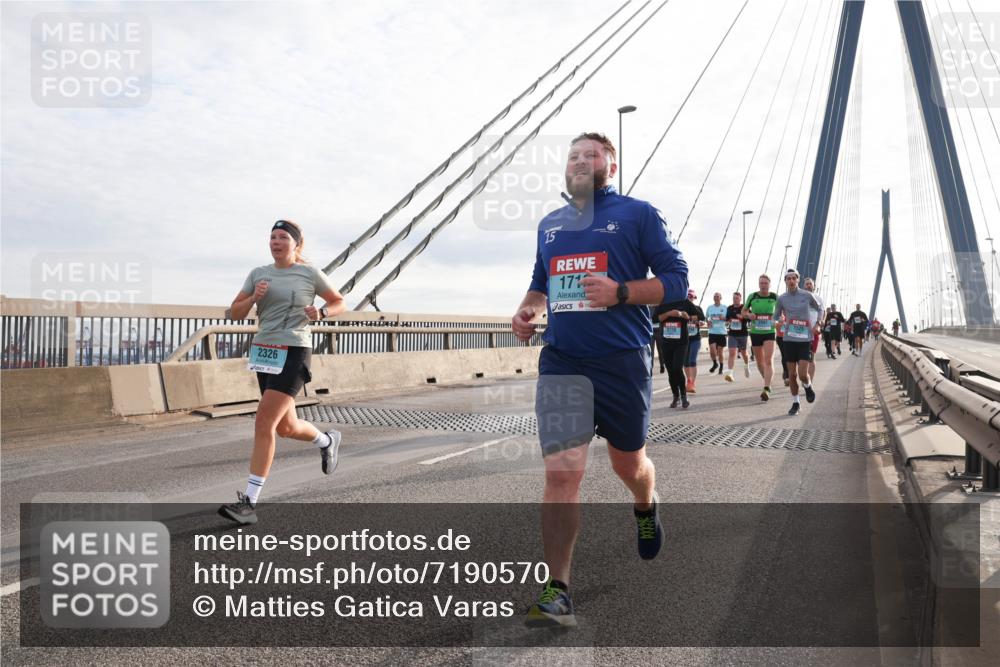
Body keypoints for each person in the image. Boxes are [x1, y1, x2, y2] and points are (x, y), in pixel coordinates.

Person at [511, 132, 688, 628]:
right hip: (564, 361)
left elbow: (676, 281)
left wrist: (622, 291)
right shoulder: (550, 225)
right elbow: (540, 282)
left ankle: (646, 502)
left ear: (610, 164)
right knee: (562, 475)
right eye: (573, 155)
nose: (581, 161)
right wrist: (527, 310)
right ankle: (558, 591)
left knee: (628, 465)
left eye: (592, 155)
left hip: (621, 362)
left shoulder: (638, 214)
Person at [219, 220, 346, 525]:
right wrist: (254, 298)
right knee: (284, 428)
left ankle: (248, 504)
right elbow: (233, 313)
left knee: (264, 421)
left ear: (296, 245)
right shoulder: (258, 274)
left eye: (283, 237)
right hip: (264, 351)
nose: (276, 242)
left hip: (294, 351)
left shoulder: (309, 273)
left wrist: (323, 312)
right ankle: (327, 442)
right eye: (272, 237)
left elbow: (339, 301)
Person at [774, 269, 823, 415]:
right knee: (792, 375)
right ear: (785, 281)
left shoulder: (807, 295)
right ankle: (796, 403)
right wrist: (778, 321)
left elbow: (820, 309)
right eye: (788, 278)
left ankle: (807, 386)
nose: (791, 280)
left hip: (804, 339)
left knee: (802, 374)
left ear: (798, 280)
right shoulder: (782, 299)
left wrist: (818, 323)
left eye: (793, 278)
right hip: (789, 339)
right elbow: (775, 316)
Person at [658, 292, 700, 407]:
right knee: (671, 371)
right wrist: (669, 313)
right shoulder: (663, 302)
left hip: (681, 342)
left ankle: (683, 396)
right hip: (666, 342)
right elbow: (657, 318)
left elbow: (698, 316)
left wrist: (686, 316)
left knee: (677, 368)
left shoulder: (685, 302)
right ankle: (675, 396)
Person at [743, 275, 778, 401]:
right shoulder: (752, 296)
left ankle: (767, 388)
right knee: (759, 362)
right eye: (761, 283)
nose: (763, 285)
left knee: (768, 360)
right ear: (759, 284)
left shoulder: (774, 297)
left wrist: (779, 319)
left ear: (769, 284)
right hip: (755, 332)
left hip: (769, 331)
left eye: (765, 283)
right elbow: (744, 312)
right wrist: (749, 315)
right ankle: (767, 381)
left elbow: (781, 313)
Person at [724, 291, 751, 382]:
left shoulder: (745, 307)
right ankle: (730, 374)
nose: (735, 299)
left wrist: (744, 317)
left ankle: (746, 365)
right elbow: (727, 318)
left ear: (740, 298)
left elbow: (750, 318)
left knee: (744, 353)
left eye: (736, 298)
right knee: (732, 353)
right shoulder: (729, 308)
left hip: (743, 334)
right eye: (733, 298)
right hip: (732, 334)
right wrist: (727, 321)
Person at [682, 290, 706, 394]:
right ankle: (689, 381)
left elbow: (702, 319)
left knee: (692, 360)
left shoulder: (698, 308)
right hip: (684, 339)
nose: (690, 298)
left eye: (692, 296)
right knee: (685, 362)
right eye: (688, 296)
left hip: (695, 338)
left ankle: (692, 383)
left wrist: (696, 321)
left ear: (695, 298)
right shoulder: (682, 309)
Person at [802, 277, 824, 381]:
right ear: (803, 286)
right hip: (800, 331)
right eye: (806, 284)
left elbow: (822, 313)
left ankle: (809, 383)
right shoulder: (799, 298)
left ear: (814, 286)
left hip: (813, 331)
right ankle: (804, 376)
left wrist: (818, 324)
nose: (808, 285)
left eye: (810, 284)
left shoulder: (818, 298)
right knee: (801, 359)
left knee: (811, 358)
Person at [705, 292, 728, 375]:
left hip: (721, 332)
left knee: (720, 351)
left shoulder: (725, 307)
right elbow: (706, 317)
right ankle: (715, 363)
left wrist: (724, 318)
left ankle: (721, 367)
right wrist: (708, 322)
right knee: (712, 351)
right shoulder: (710, 308)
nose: (716, 297)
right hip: (712, 332)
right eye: (715, 296)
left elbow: (728, 319)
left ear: (720, 298)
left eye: (718, 296)